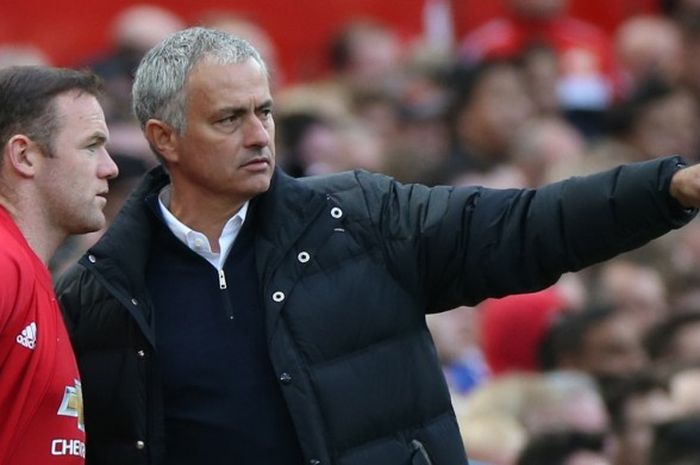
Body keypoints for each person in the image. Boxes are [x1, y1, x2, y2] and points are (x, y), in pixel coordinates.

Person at [55, 27, 700, 465]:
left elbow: (526, 224)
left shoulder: (359, 217)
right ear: (164, 139)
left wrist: (667, 188)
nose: (259, 135)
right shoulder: (99, 295)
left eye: (266, 111)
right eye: (230, 118)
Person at [0, 66, 119, 464]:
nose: (110, 168)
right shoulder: (5, 262)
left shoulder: (29, 271)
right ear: (25, 156)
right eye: (91, 146)